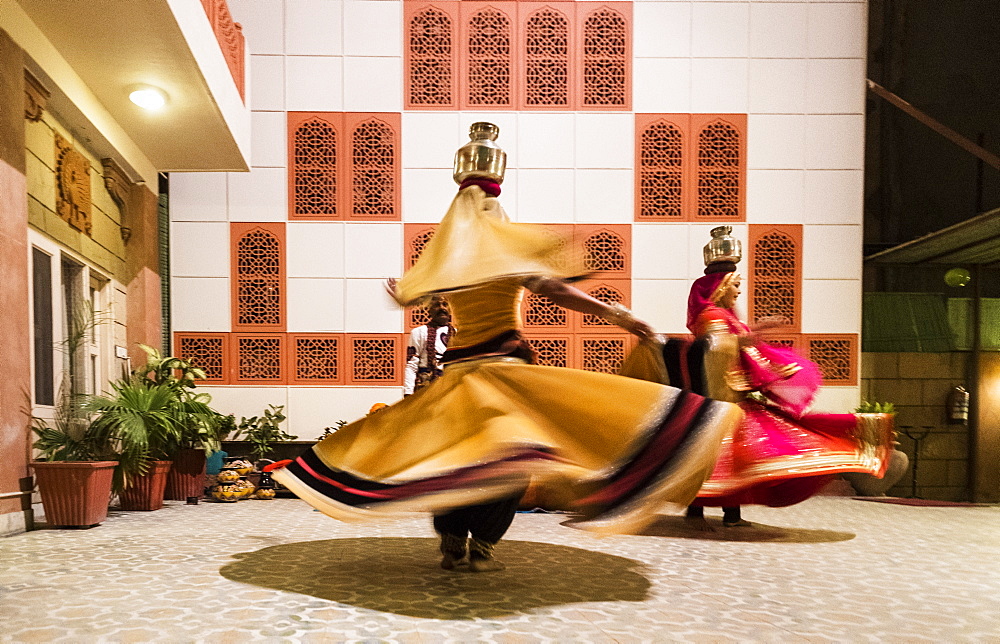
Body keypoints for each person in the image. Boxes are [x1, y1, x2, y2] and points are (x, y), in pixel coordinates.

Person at [267, 124, 742, 572]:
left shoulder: (446, 257)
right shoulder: (497, 252)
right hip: (503, 375)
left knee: (456, 460)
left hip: (458, 379)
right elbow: (552, 287)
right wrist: (617, 314)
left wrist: (403, 292)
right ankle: (482, 545)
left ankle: (454, 540)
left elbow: (409, 290)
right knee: (510, 462)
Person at [624, 227, 894, 530]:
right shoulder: (712, 316)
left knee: (721, 457)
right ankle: (725, 515)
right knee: (731, 456)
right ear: (721, 286)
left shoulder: (725, 317)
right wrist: (748, 338)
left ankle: (705, 512)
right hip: (721, 397)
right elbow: (712, 350)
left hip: (729, 393)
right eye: (736, 285)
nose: (739, 291)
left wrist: (750, 338)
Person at [403, 296, 453, 396]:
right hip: (426, 388)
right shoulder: (419, 332)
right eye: (437, 305)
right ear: (429, 310)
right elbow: (411, 365)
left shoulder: (457, 333)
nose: (442, 308)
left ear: (450, 310)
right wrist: (408, 393)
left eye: (445, 304)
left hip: (451, 388)